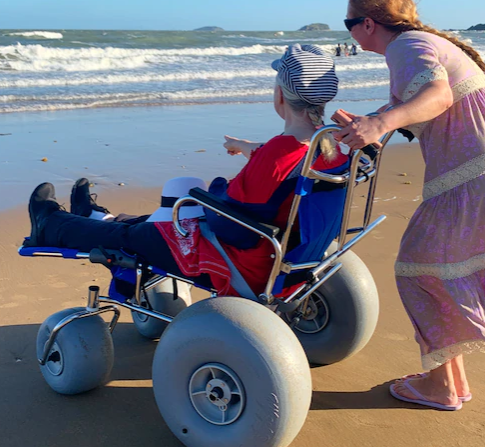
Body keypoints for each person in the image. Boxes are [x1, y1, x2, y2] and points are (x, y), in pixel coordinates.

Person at [336, 0, 485, 411]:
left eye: (348, 24)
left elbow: (437, 96)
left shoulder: (405, 48)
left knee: (418, 270)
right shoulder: (415, 45)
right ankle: (449, 379)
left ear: (367, 23)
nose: (348, 33)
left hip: (477, 176)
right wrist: (374, 120)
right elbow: (428, 103)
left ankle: (442, 386)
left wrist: (380, 126)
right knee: (435, 270)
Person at [24, 44, 347, 298]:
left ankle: (49, 222)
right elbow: (279, 166)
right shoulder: (328, 147)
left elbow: (230, 218)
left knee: (135, 234)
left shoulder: (275, 156)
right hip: (283, 254)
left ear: (279, 95)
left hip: (237, 259)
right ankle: (92, 215)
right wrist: (247, 148)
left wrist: (210, 193)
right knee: (161, 218)